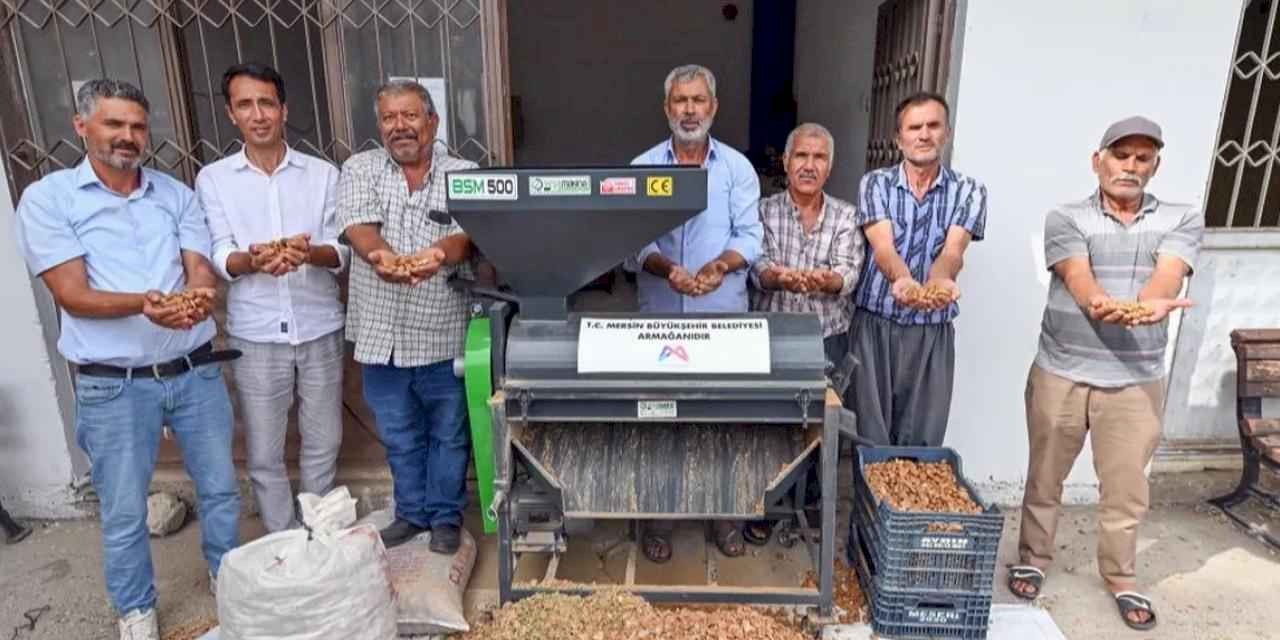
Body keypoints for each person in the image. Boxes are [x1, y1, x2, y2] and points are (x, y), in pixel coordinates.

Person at [13, 79, 240, 640]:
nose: (128, 137)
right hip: (113, 384)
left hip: (192, 367)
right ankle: (136, 611)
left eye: (137, 126)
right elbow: (71, 293)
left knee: (220, 486)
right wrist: (147, 305)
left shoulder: (173, 193)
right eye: (114, 125)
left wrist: (195, 298)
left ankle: (228, 581)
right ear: (81, 125)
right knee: (122, 509)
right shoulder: (50, 198)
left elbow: (199, 269)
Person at [1007, 116, 1202, 632]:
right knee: (1046, 474)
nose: (1130, 167)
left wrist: (1151, 306)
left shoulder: (1181, 218)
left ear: (1155, 166)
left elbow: (1167, 275)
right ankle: (1033, 556)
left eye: (1142, 158)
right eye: (1121, 156)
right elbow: (1079, 277)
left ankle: (1120, 575)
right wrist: (1101, 304)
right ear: (1098, 161)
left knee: (1126, 487)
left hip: (1136, 376)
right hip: (1062, 370)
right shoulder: (1066, 217)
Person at [196, 63, 348, 533]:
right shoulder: (214, 179)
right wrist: (252, 260)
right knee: (264, 452)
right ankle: (283, 541)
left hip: (318, 323)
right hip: (256, 332)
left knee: (324, 441)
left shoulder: (322, 174)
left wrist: (307, 253)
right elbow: (219, 252)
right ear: (231, 114)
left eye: (266, 103)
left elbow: (340, 249)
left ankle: (317, 534)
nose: (258, 114)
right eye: (245, 104)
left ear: (284, 109)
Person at [627, 64, 763, 563]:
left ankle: (726, 516)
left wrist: (717, 266)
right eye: (680, 101)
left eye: (698, 100)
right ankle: (658, 520)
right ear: (667, 109)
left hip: (721, 311)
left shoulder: (737, 169)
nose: (689, 110)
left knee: (724, 419)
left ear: (714, 107)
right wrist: (667, 269)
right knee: (659, 418)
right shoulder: (642, 167)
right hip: (661, 313)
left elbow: (750, 237)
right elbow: (630, 244)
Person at [337, 79, 475, 554]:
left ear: (432, 121)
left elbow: (468, 236)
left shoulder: (464, 172)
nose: (400, 127)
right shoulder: (361, 168)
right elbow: (359, 228)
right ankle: (411, 513)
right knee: (398, 435)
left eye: (410, 116)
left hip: (442, 330)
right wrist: (384, 259)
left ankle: (445, 518)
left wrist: (436, 254)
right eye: (390, 118)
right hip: (381, 334)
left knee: (449, 434)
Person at [850, 91, 988, 447]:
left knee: (923, 435)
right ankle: (870, 505)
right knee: (871, 433)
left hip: (932, 328)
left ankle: (912, 506)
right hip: (876, 325)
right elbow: (883, 247)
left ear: (947, 133)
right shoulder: (875, 184)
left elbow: (954, 250)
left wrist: (940, 281)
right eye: (914, 127)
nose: (923, 135)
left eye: (933, 125)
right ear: (899, 138)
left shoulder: (969, 191)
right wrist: (904, 281)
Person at [748, 122, 863, 545]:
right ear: (786, 162)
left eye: (818, 158)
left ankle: (812, 505)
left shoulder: (846, 215)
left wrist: (825, 280)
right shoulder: (763, 210)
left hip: (826, 337)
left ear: (829, 167)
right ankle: (766, 507)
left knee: (820, 424)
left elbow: (849, 272)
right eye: (801, 156)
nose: (809, 165)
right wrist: (777, 277)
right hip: (773, 337)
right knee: (770, 424)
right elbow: (756, 266)